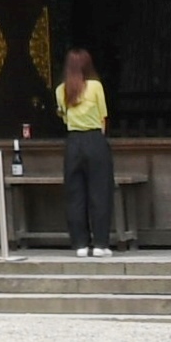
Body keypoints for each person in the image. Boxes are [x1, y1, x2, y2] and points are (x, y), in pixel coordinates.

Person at [57, 46, 116, 256]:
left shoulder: (61, 90)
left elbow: (64, 118)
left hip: (73, 141)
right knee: (99, 192)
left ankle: (80, 244)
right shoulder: (95, 87)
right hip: (94, 139)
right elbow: (103, 118)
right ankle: (100, 243)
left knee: (75, 193)